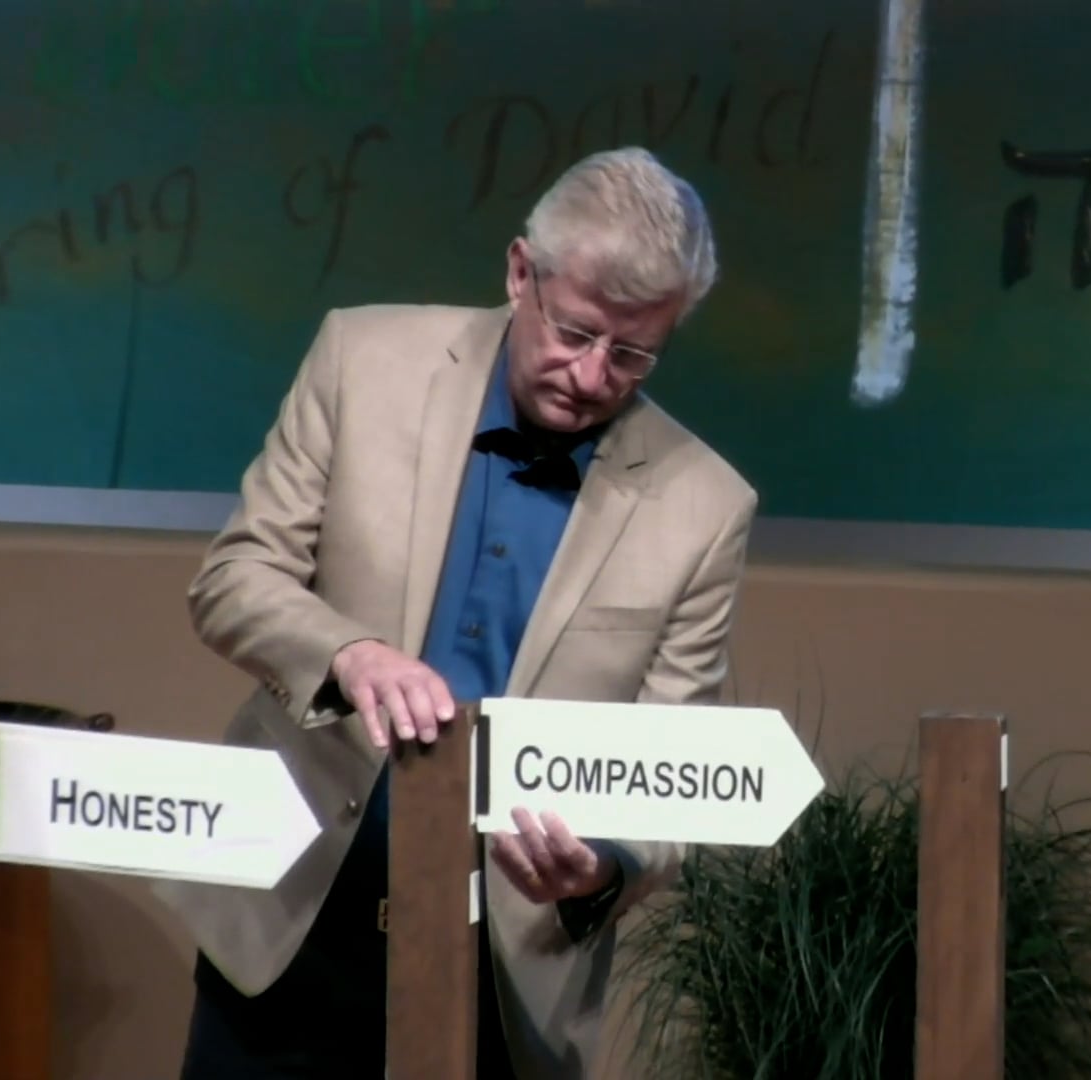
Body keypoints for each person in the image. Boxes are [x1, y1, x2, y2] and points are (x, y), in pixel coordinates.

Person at [153, 146, 759, 1079]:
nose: (592, 375)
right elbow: (235, 577)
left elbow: (675, 764)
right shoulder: (362, 361)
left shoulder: (705, 507)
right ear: (520, 273)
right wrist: (347, 653)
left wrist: (602, 864)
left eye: (633, 353)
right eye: (575, 332)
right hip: (287, 931)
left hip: (504, 985)